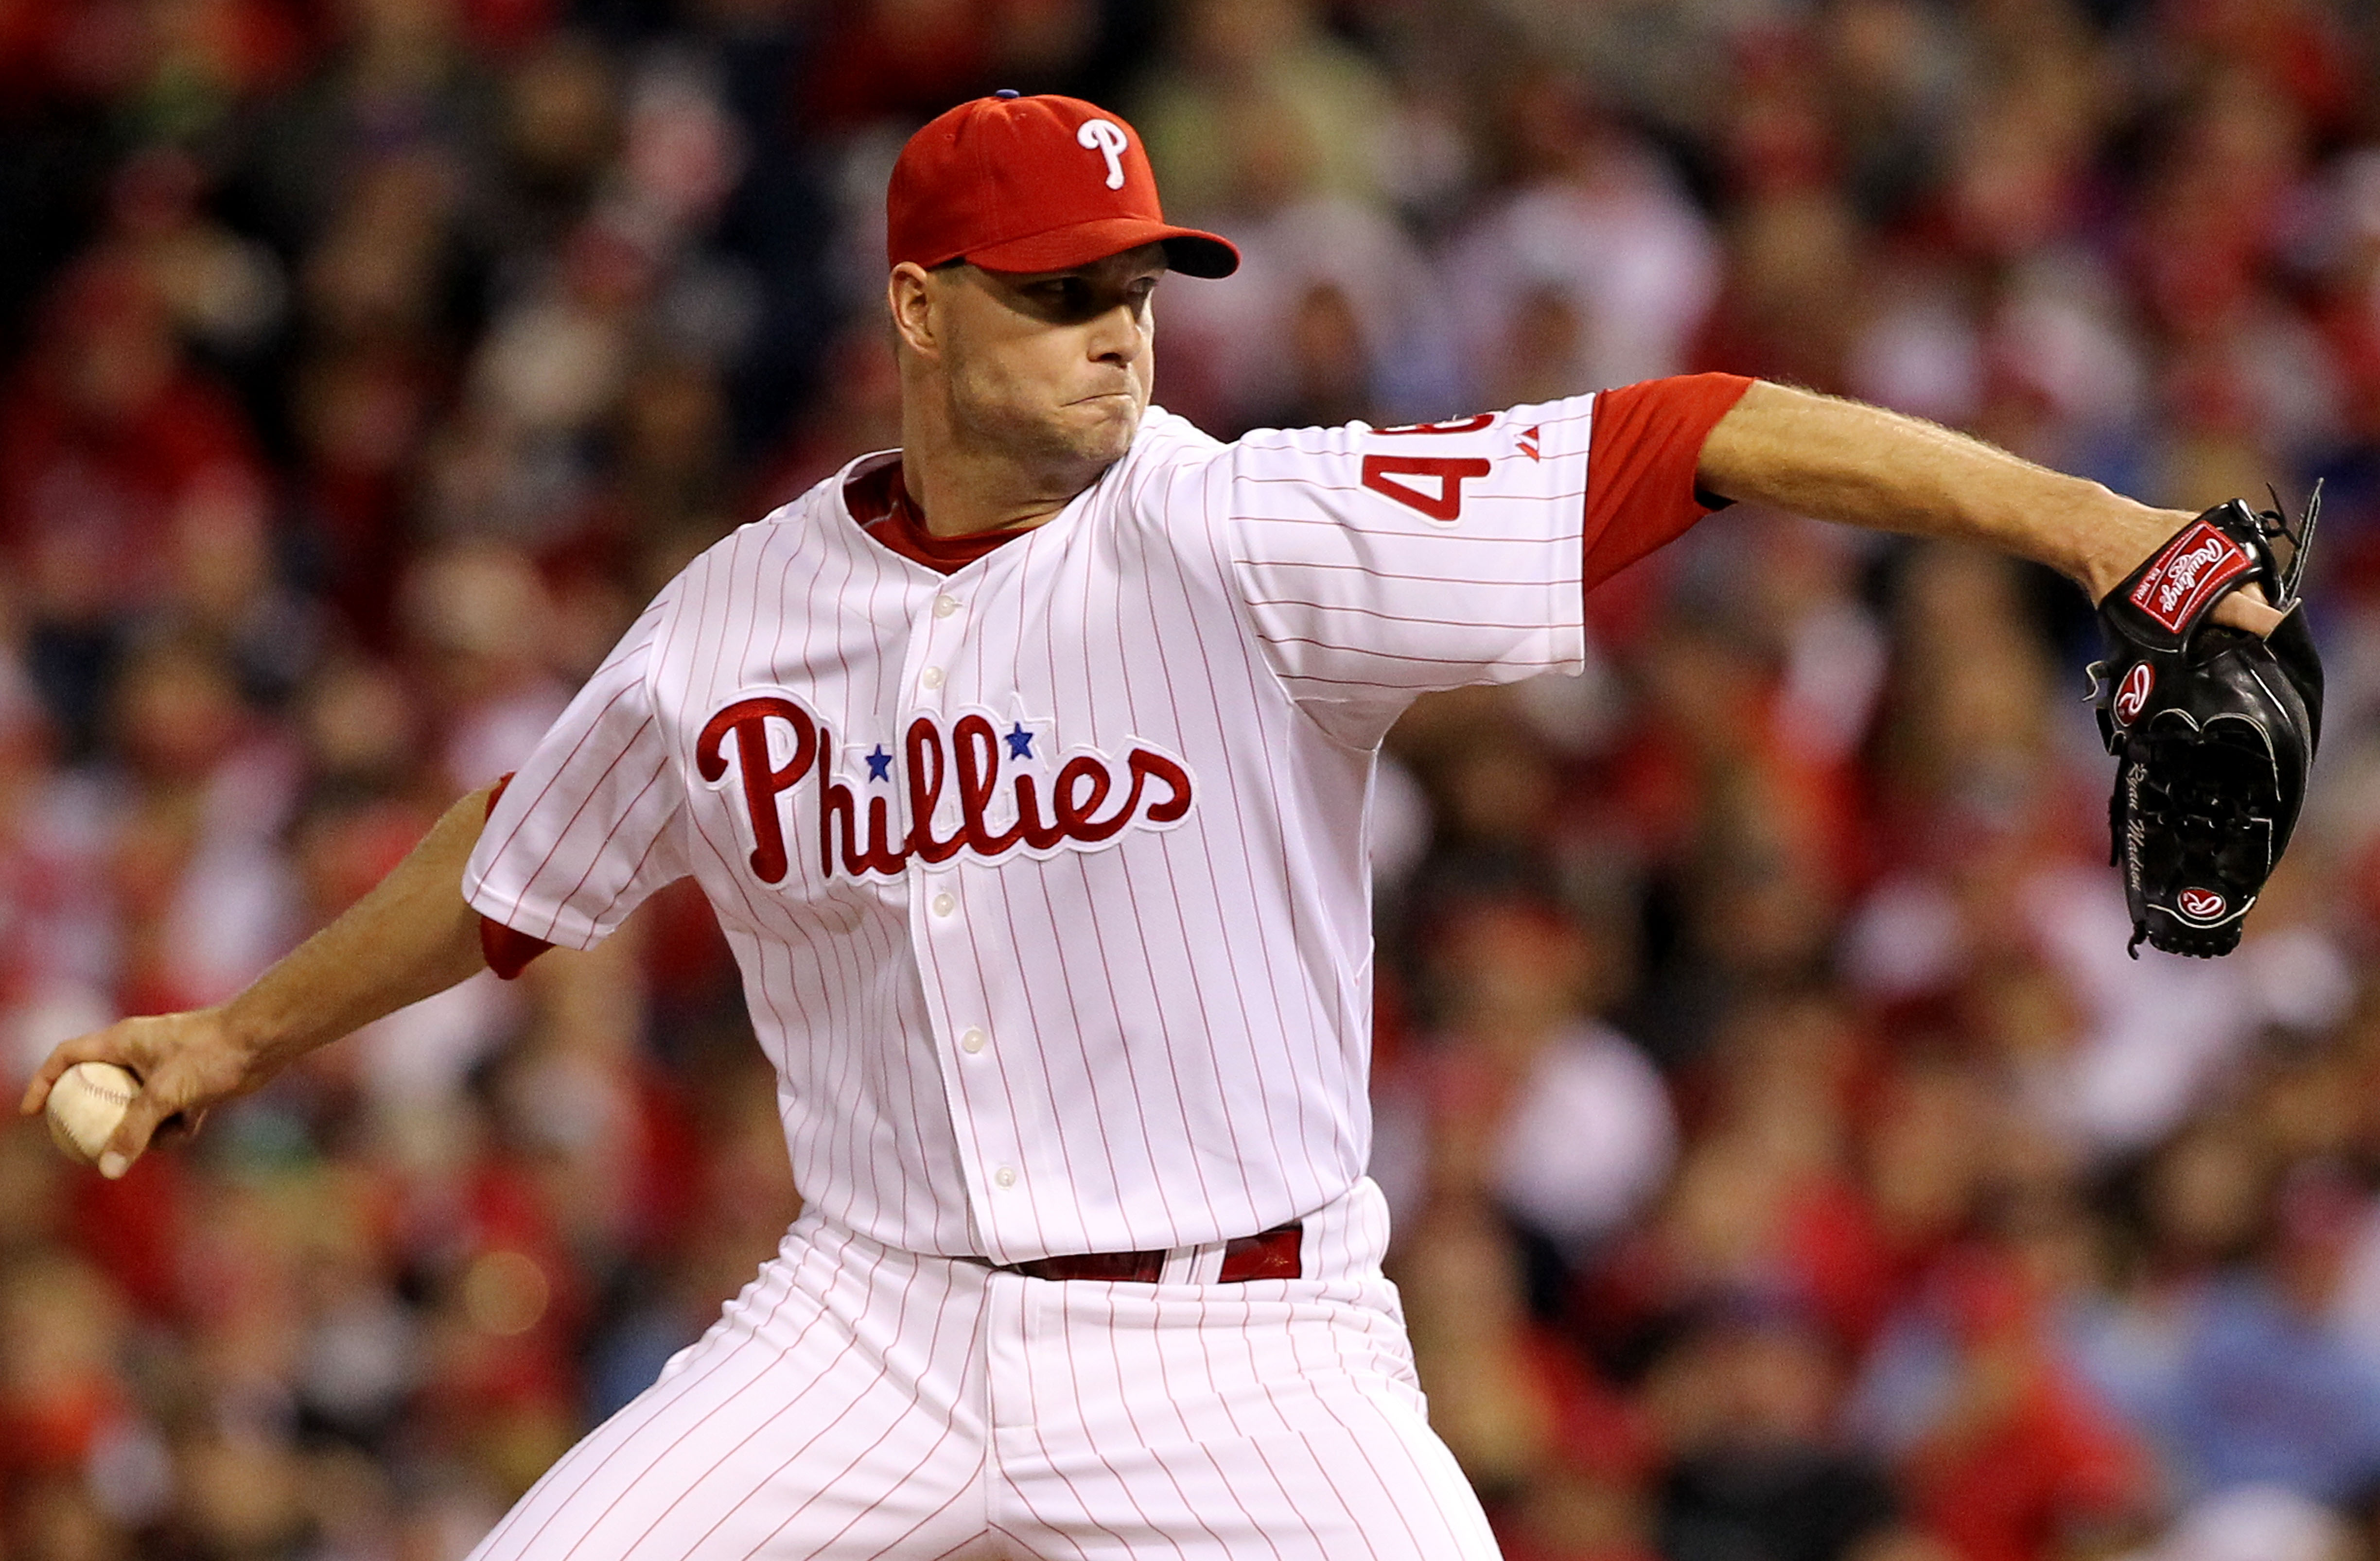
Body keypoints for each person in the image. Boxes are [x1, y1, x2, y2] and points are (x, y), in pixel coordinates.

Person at [19, 93, 2279, 1561]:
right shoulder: (734, 620)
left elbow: (1703, 429)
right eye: (1064, 296)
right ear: (919, 309)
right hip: (872, 1322)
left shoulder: (1254, 532)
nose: (1124, 336)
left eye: (1141, 289)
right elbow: (525, 857)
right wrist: (230, 1038)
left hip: (1249, 1348)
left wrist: (2103, 532)